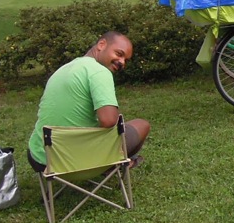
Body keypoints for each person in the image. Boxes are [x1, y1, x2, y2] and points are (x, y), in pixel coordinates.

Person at [27, 31, 151, 173]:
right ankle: (114, 165)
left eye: (126, 60)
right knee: (141, 125)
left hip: (41, 159)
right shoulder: (99, 72)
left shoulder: (63, 69)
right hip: (77, 162)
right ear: (101, 44)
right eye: (119, 54)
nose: (122, 62)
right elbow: (109, 121)